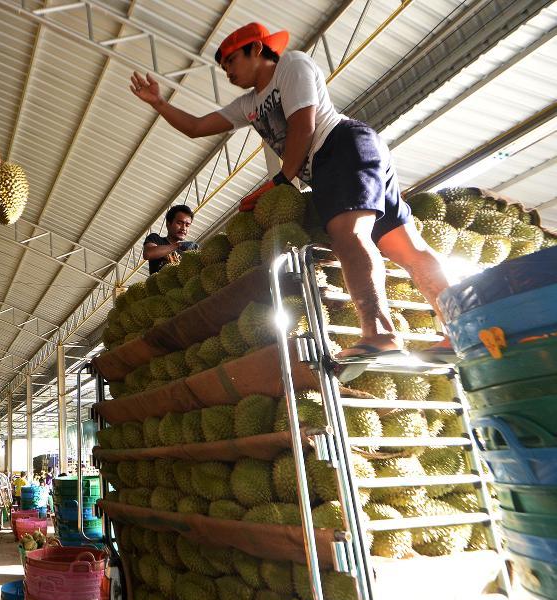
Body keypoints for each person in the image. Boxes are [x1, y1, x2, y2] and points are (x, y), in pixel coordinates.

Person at [129, 22, 454, 371]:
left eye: (231, 61)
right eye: (223, 68)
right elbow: (196, 127)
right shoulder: (249, 103)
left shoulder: (292, 66)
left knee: (350, 237)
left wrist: (281, 181)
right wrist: (160, 103)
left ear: (256, 49)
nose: (228, 72)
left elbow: (304, 126)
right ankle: (461, 327)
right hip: (340, 159)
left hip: (340, 147)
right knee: (402, 245)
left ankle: (380, 333)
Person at [143, 205, 199, 274]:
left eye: (187, 225)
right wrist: (178, 245)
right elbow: (148, 254)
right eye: (179, 223)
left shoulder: (188, 251)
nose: (184, 228)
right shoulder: (155, 239)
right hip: (159, 284)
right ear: (168, 223)